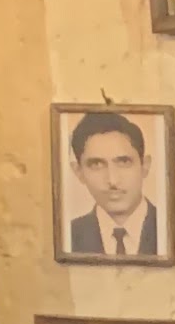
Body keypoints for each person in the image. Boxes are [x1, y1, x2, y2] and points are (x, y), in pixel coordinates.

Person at [65, 109, 160, 260]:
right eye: (96, 164)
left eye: (124, 162)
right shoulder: (68, 236)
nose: (113, 180)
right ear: (78, 172)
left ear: (145, 166)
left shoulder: (170, 228)